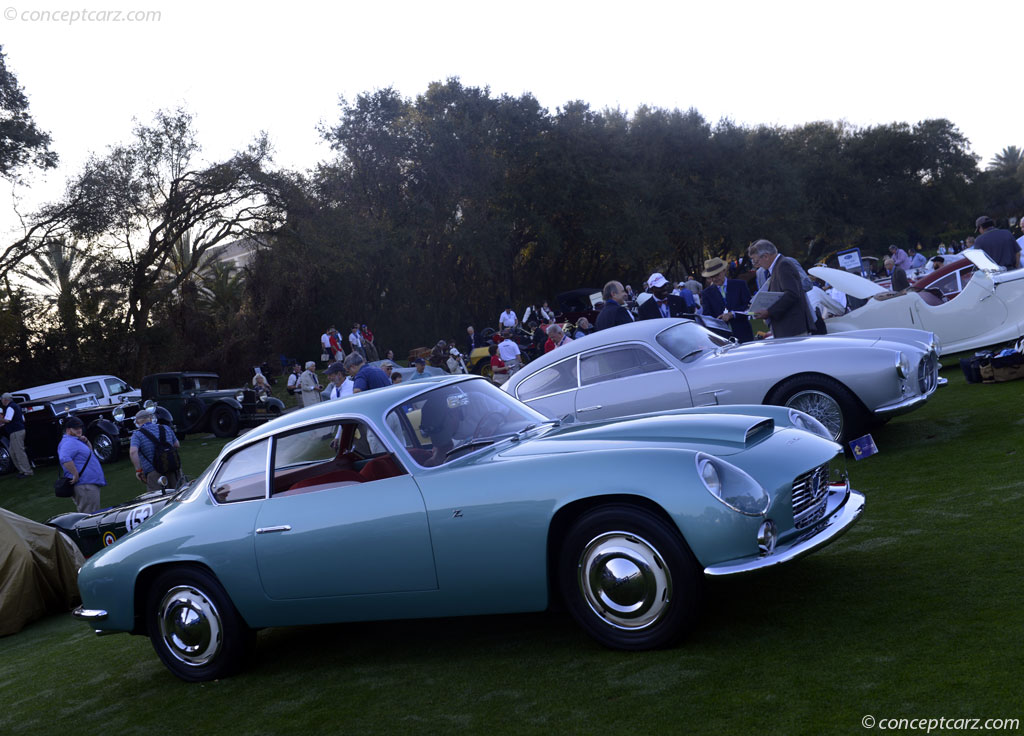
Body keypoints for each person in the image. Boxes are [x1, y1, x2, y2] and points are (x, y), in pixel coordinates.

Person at [748, 239, 815, 338]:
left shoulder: (783, 265)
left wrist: (769, 311)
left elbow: (792, 294)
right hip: (788, 328)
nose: (757, 265)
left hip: (792, 328)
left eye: (756, 261)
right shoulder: (778, 266)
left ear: (766, 256)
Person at [700, 257, 754, 343]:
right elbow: (707, 315)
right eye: (712, 276)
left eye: (717, 275)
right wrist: (717, 320)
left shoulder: (740, 285)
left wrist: (733, 314)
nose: (715, 279)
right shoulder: (706, 293)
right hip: (722, 338)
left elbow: (749, 308)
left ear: (724, 271)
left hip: (743, 333)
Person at [57, 416, 104, 514]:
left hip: (87, 483)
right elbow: (64, 458)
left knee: (92, 512)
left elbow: (90, 452)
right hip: (84, 485)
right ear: (68, 430)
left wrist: (86, 441)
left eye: (80, 427)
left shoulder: (75, 440)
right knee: (90, 514)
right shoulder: (69, 442)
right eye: (76, 428)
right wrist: (75, 474)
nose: (79, 430)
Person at [129, 408, 181, 491]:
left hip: (153, 472)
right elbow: (177, 445)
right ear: (150, 418)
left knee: (159, 499)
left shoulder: (137, 435)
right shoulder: (165, 428)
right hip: (173, 468)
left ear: (137, 422)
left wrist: (138, 470)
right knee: (180, 494)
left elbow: (133, 452)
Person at [0, 392, 33, 477]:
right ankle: (22, 470)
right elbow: (23, 419)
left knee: (19, 452)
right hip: (18, 431)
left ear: (5, 399)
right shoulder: (16, 406)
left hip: (16, 432)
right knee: (13, 451)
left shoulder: (10, 407)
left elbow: (7, 420)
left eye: (2, 399)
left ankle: (27, 471)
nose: (1, 401)